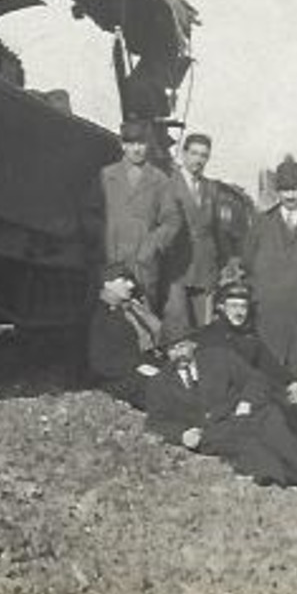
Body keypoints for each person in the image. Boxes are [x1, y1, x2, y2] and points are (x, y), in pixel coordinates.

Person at [144, 319, 297, 498]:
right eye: (172, 350)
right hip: (213, 431)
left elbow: (256, 380)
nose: (178, 353)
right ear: (165, 353)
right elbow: (155, 421)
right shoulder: (160, 383)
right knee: (258, 456)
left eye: (181, 346)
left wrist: (246, 402)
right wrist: (182, 434)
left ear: (193, 344)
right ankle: (286, 485)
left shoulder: (219, 358)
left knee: (276, 430)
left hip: (244, 415)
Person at [195, 280, 297, 454]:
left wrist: (290, 382)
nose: (239, 312)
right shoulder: (211, 336)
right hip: (224, 402)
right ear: (221, 307)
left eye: (243, 307)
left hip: (249, 393)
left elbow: (269, 363)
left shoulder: (248, 335)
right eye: (233, 306)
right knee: (275, 409)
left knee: (289, 398)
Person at [243, 155, 297, 385]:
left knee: (296, 378)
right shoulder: (262, 223)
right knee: (266, 375)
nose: (290, 196)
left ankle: (296, 419)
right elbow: (248, 262)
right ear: (277, 191)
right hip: (268, 313)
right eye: (285, 190)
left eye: (295, 189)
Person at [97, 119, 183, 311]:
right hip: (110, 262)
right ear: (122, 145)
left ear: (148, 145)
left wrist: (152, 245)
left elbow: (172, 220)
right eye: (131, 143)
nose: (136, 149)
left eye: (141, 143)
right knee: (107, 319)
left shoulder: (160, 180)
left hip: (142, 266)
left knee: (142, 322)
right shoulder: (106, 176)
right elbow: (93, 215)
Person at [162, 132, 221, 334]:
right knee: (177, 329)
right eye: (194, 153)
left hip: (205, 271)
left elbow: (216, 231)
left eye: (204, 155)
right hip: (176, 271)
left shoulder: (211, 189)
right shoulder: (168, 184)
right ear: (184, 154)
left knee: (203, 331)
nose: (198, 160)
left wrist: (217, 268)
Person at [87, 262, 164, 408]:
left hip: (134, 369)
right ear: (108, 284)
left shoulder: (123, 308)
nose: (131, 285)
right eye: (124, 280)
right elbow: (98, 362)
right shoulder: (96, 315)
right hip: (112, 381)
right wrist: (136, 366)